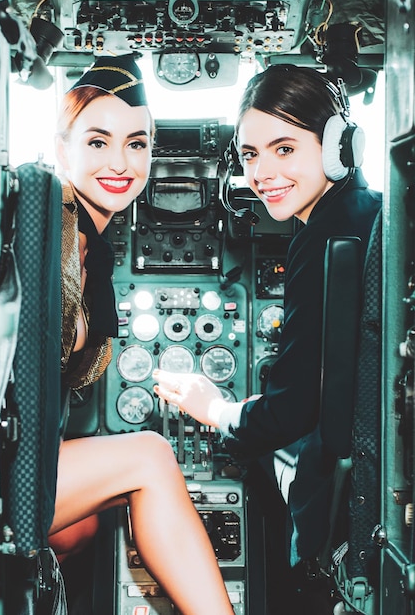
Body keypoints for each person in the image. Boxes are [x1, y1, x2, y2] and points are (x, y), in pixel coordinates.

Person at [153, 64, 382, 577]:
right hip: (368, 443)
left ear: (338, 147)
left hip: (345, 475)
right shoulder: (368, 214)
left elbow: (294, 412)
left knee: (250, 459)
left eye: (284, 149)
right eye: (251, 154)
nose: (261, 175)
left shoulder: (323, 235)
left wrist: (215, 410)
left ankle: (291, 584)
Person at [47, 53, 234, 615]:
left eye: (138, 143)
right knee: (151, 454)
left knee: (83, 530)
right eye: (98, 141)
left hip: (23, 456)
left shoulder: (84, 243)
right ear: (63, 150)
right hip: (0, 468)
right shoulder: (48, 234)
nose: (121, 161)